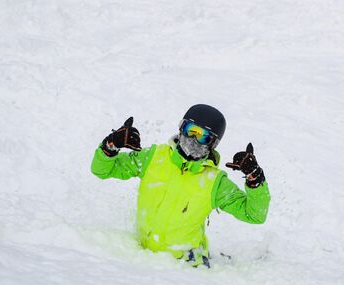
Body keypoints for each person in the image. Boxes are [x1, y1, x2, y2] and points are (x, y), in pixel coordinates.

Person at [90, 104, 270, 267]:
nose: (193, 139)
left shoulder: (215, 182)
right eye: (191, 130)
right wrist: (111, 145)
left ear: (213, 143)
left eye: (203, 136)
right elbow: (101, 170)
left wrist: (255, 180)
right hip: (141, 256)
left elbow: (254, 215)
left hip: (185, 268)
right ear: (181, 128)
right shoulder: (153, 157)